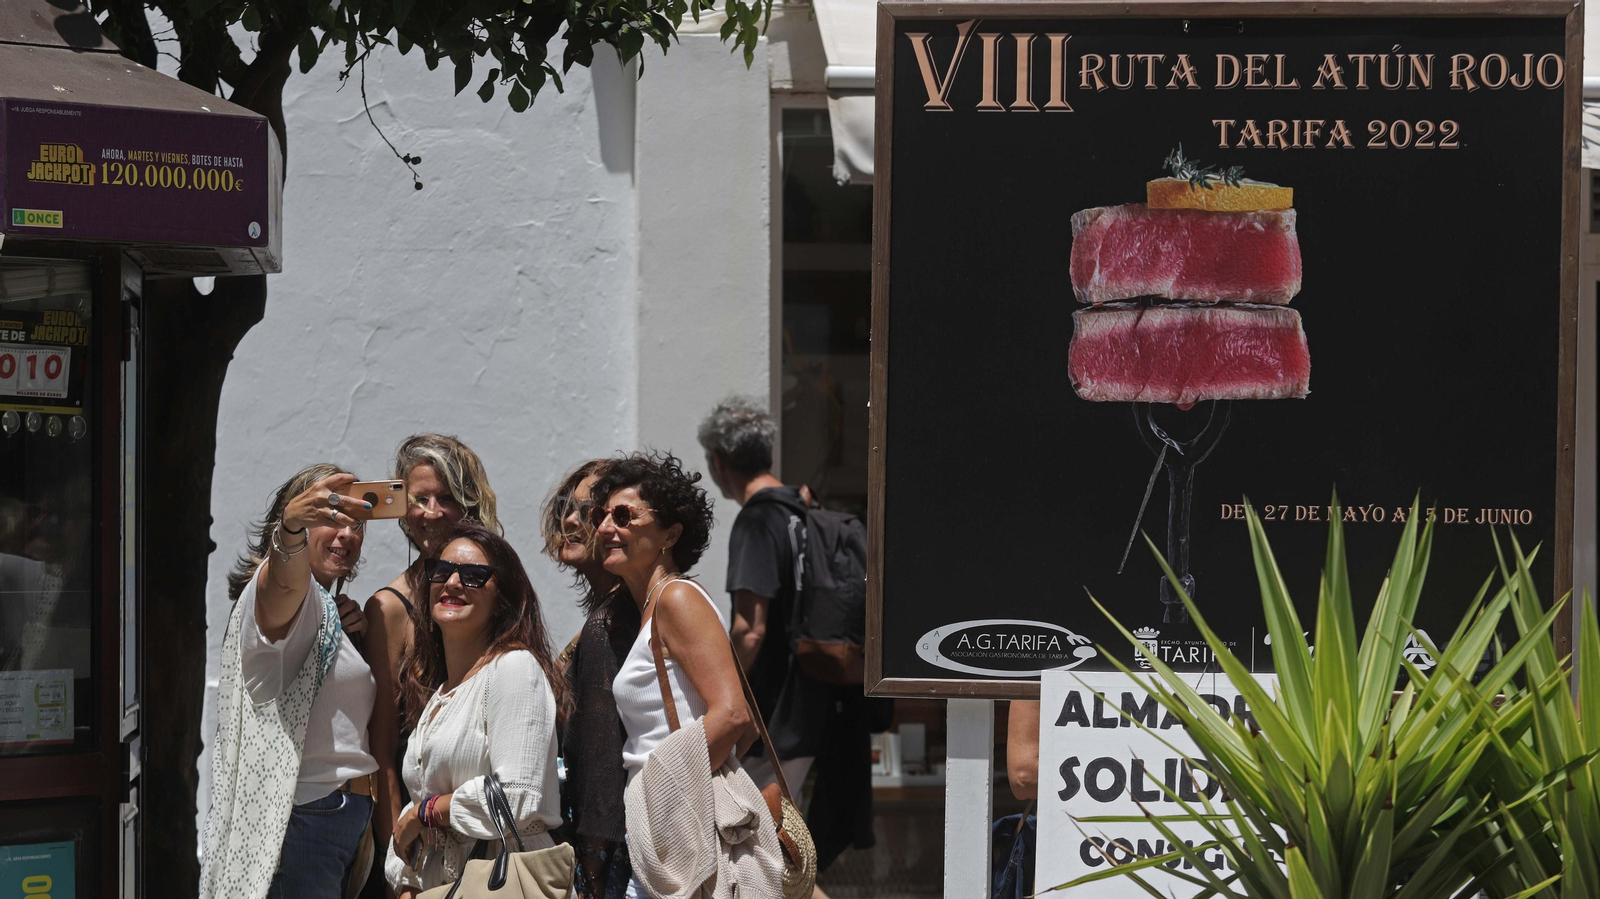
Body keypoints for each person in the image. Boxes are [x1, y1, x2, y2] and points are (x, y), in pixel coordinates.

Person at [201, 465, 378, 899]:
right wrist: (291, 530)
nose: (347, 533)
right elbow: (283, 582)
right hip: (304, 822)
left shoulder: (325, 609)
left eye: (356, 523)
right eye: (331, 517)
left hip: (334, 822)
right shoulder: (280, 592)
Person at [592, 452, 756, 899]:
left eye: (623, 516)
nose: (605, 528)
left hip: (677, 828)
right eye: (600, 515)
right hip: (664, 831)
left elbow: (735, 716)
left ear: (670, 534)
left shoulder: (677, 599)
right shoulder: (650, 607)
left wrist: (663, 797)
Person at [384, 521, 567, 896]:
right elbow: (416, 811)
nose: (452, 582)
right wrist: (407, 884)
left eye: (473, 575)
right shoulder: (441, 694)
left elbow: (517, 796)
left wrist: (425, 813)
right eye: (441, 570)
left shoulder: (514, 668)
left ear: (501, 599)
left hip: (502, 880)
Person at [362, 434, 502, 897]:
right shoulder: (390, 608)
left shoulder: (496, 592)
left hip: (494, 826)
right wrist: (398, 870)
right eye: (419, 499)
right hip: (423, 843)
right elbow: (382, 749)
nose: (431, 512)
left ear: (469, 504)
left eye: (446, 498)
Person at [697, 397, 832, 794]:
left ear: (718, 460)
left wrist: (718, 694)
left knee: (755, 830)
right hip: (811, 706)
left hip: (770, 717)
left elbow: (750, 629)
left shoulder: (756, 520)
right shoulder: (805, 511)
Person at [542, 460, 637, 899]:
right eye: (567, 507)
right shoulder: (615, 614)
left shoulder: (609, 623)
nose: (569, 520)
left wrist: (593, 871)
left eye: (587, 511)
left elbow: (603, 758)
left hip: (611, 859)